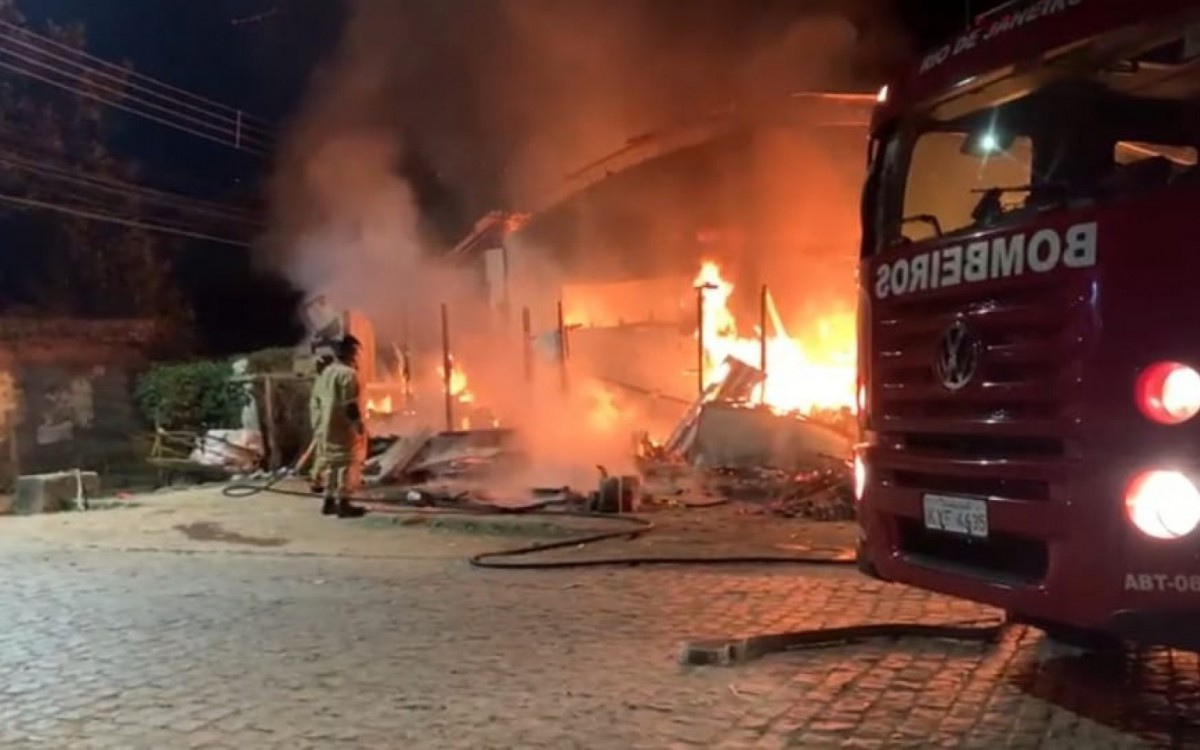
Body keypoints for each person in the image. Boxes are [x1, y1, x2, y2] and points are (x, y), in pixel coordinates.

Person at [309, 335, 367, 518]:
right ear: (351, 353)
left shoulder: (326, 372)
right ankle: (344, 503)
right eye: (356, 352)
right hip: (342, 426)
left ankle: (329, 501)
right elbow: (350, 405)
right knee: (347, 463)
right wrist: (358, 426)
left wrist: (318, 424)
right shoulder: (348, 374)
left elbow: (315, 400)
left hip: (325, 426)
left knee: (332, 464)